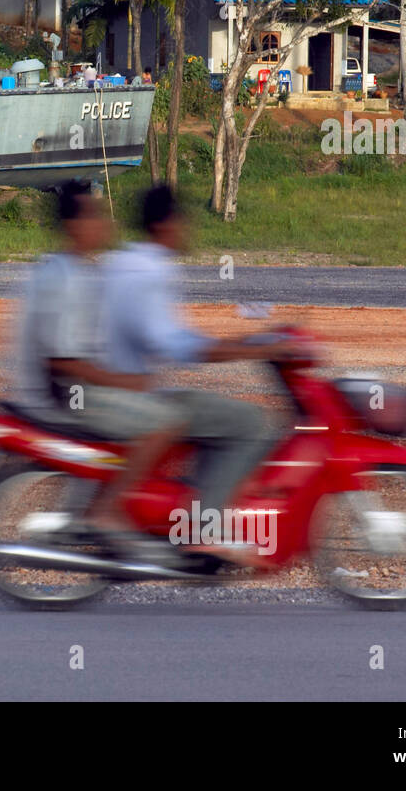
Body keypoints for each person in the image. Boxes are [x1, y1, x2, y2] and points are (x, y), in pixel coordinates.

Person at [100, 185, 293, 544]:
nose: (187, 230)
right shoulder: (152, 272)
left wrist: (240, 344)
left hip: (116, 387)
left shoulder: (121, 261)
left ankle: (197, 505)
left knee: (213, 414)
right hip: (136, 397)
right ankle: (203, 531)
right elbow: (174, 345)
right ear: (164, 225)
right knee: (251, 423)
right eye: (182, 221)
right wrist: (251, 349)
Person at [10, 180, 183, 553]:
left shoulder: (70, 269)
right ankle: (105, 512)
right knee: (164, 424)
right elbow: (64, 361)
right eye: (94, 215)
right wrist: (123, 382)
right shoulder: (63, 279)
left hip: (69, 389)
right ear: (74, 225)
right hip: (68, 397)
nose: (103, 223)